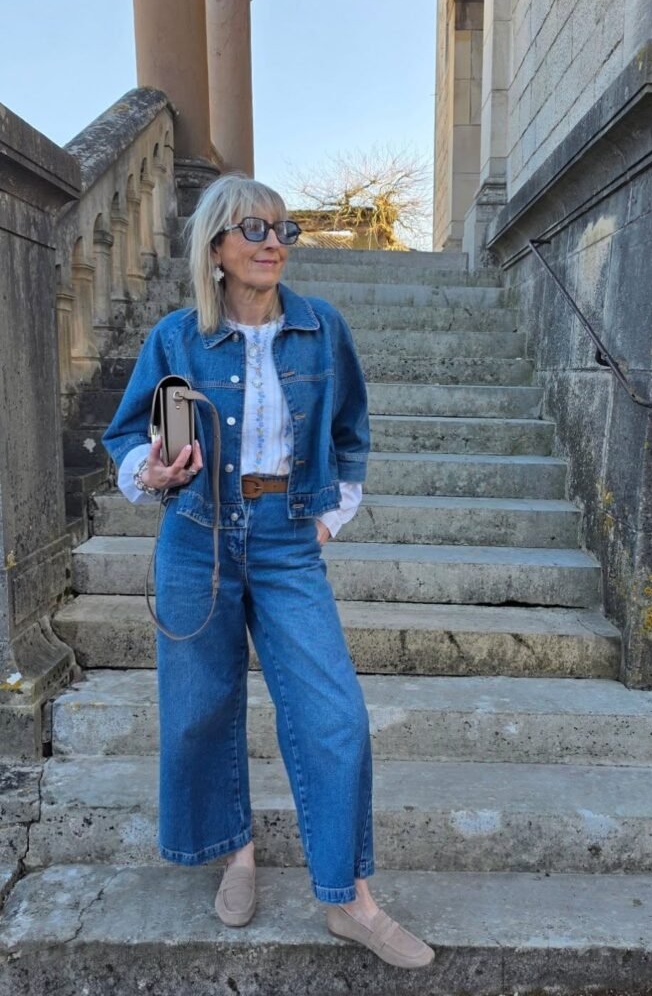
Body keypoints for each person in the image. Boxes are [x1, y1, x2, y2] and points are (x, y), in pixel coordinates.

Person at [101, 174, 434, 970]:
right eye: (252, 229)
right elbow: (126, 436)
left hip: (287, 534)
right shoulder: (177, 339)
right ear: (215, 247)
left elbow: (350, 427)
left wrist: (330, 511)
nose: (271, 242)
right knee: (197, 711)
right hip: (196, 535)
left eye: (283, 229)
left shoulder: (323, 329)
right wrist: (149, 472)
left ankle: (349, 899)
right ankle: (235, 852)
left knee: (334, 715)